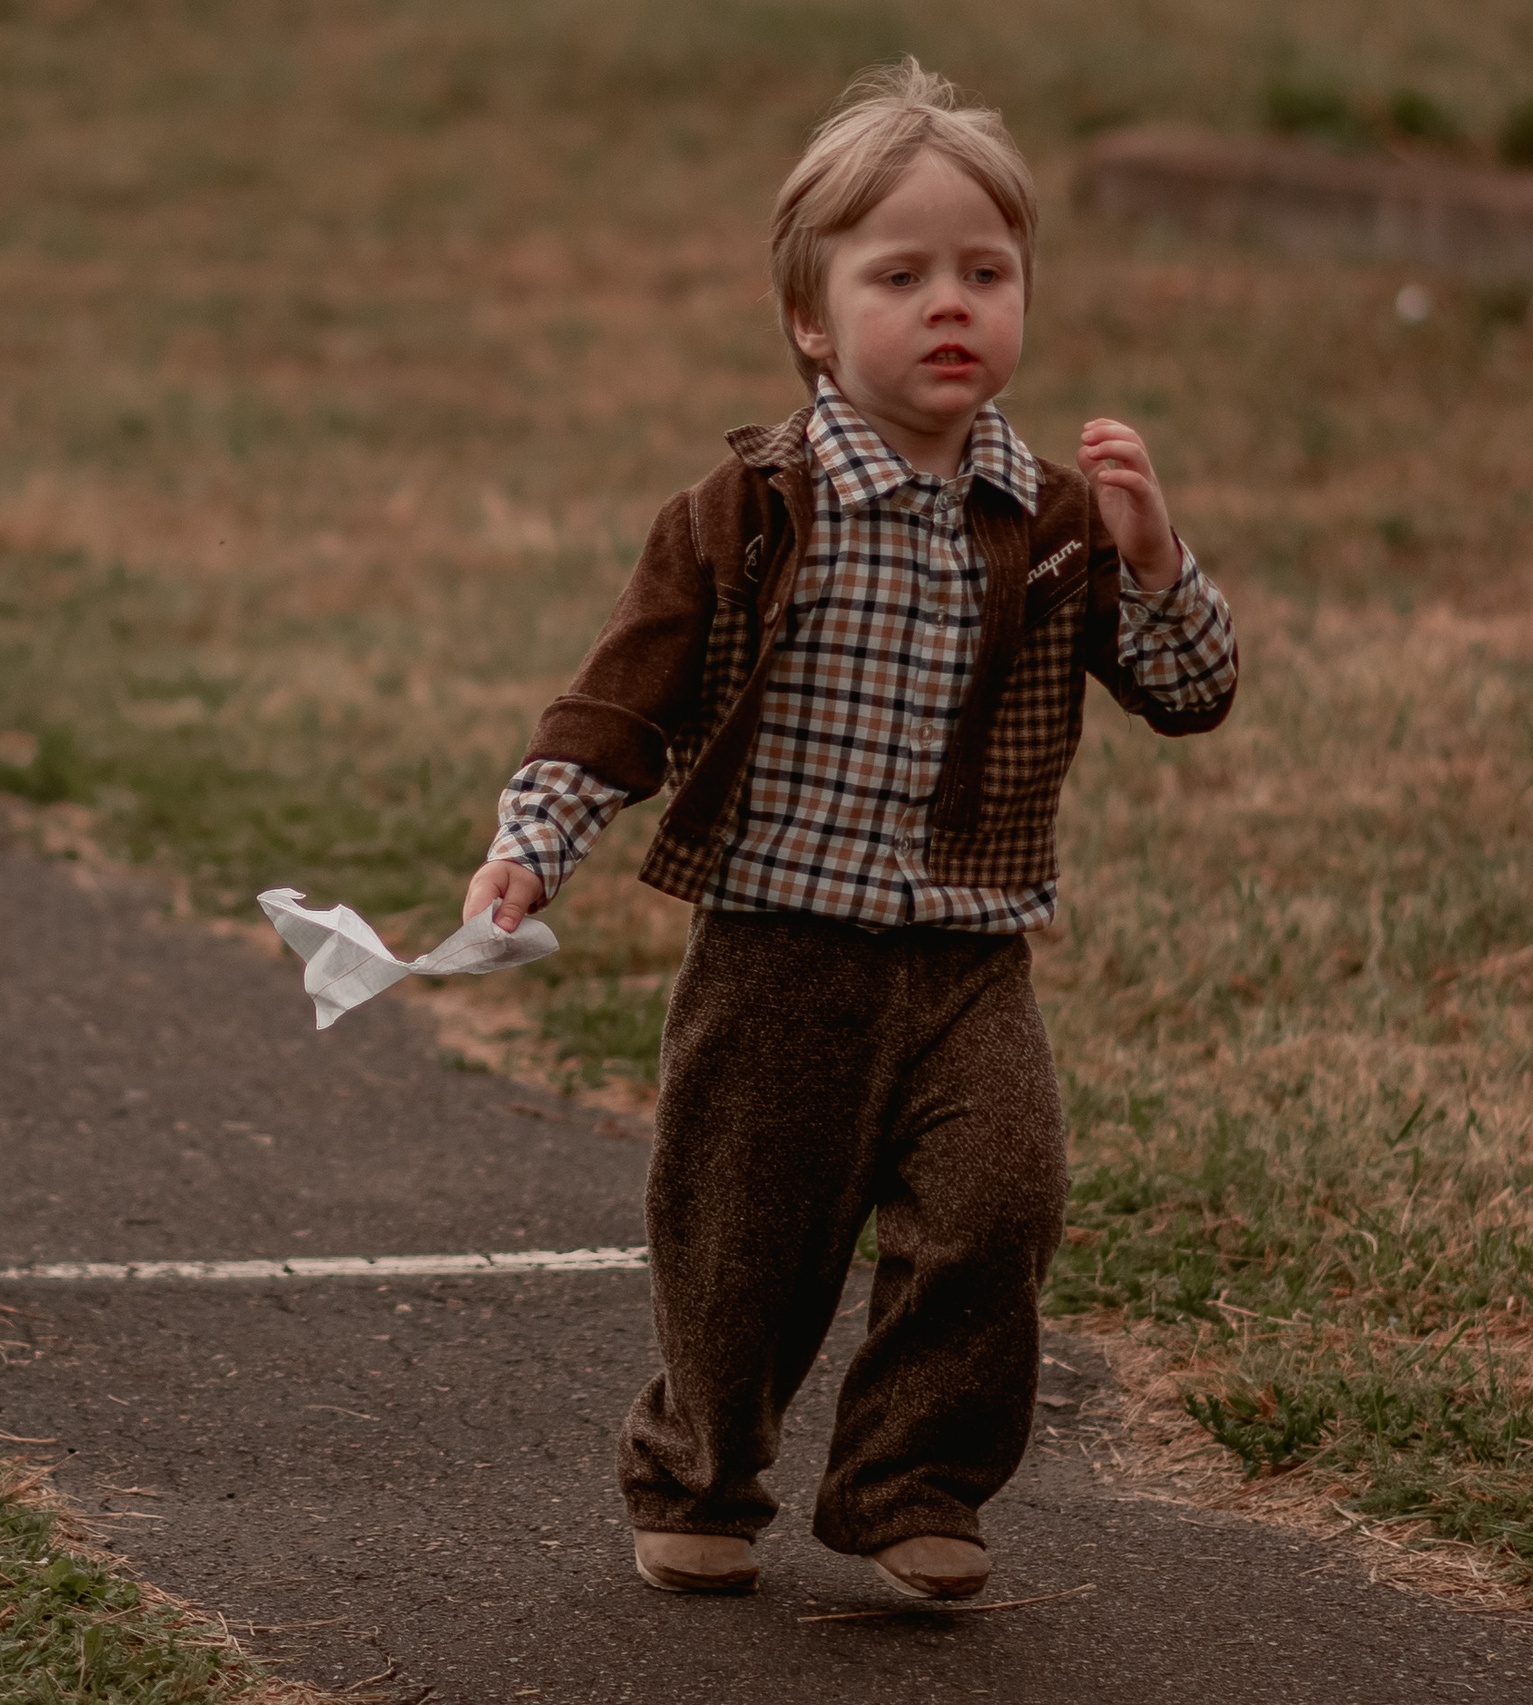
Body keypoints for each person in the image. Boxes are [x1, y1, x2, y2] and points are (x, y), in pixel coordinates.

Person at [460, 58, 1238, 1601]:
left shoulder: (1055, 518)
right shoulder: (748, 507)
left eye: (986, 272)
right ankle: (698, 1468)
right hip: (775, 951)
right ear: (814, 319)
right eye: (902, 275)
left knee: (999, 1206)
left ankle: (910, 1484)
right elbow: (622, 698)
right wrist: (536, 838)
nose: (952, 303)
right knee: (743, 1249)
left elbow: (1191, 691)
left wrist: (1158, 564)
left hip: (967, 954)